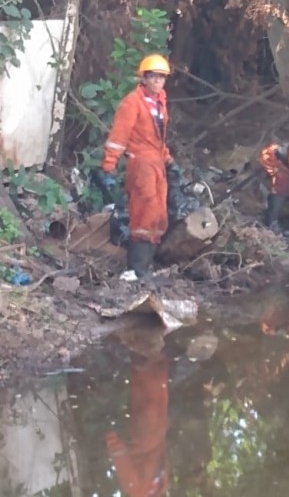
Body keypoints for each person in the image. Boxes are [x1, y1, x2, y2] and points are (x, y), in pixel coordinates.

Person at [99, 54, 181, 279]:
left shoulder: (160, 103)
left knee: (158, 216)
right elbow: (118, 136)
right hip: (140, 164)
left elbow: (158, 140)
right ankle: (136, 269)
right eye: (153, 77)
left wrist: (169, 161)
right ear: (144, 78)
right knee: (144, 213)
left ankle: (145, 266)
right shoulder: (132, 102)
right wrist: (109, 164)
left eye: (161, 77)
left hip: (156, 163)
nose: (157, 81)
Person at [106, 328, 170, 497]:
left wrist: (112, 437)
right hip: (148, 432)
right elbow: (119, 455)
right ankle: (145, 342)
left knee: (150, 392)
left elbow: (122, 459)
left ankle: (146, 343)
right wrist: (110, 436)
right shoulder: (154, 489)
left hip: (153, 431)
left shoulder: (143, 491)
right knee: (148, 393)